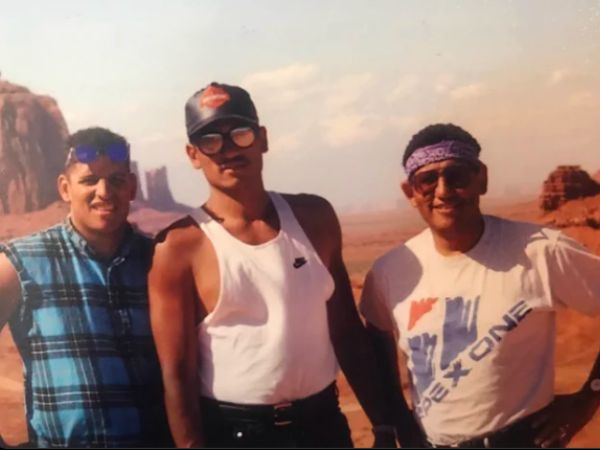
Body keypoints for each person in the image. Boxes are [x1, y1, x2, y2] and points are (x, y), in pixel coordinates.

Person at [148, 82, 396, 448]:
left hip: (324, 426)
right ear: (193, 154)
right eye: (211, 140)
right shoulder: (180, 246)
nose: (228, 149)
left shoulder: (315, 218)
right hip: (237, 434)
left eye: (240, 134)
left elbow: (346, 330)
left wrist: (384, 425)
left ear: (263, 138)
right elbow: (177, 373)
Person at [359, 123, 600, 448]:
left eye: (456, 175)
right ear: (411, 192)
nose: (443, 191)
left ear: (481, 179)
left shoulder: (541, 252)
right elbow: (376, 337)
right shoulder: (390, 271)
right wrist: (397, 420)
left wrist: (589, 398)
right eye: (427, 180)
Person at [0, 127, 171, 448]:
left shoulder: (159, 260)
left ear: (132, 187)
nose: (104, 191)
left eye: (117, 180)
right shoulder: (22, 261)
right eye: (90, 180)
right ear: (65, 188)